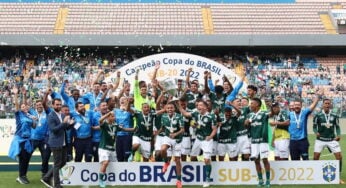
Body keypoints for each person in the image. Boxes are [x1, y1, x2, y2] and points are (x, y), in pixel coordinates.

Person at [179, 100, 217, 188]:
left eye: (200, 105)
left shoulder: (211, 116)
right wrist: (178, 106)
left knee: (207, 160)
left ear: (205, 107)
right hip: (198, 139)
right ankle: (197, 175)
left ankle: (207, 179)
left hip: (207, 140)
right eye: (197, 105)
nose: (198, 106)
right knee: (192, 157)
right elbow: (185, 114)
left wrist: (210, 137)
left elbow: (214, 129)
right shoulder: (196, 113)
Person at [41, 98, 74, 188]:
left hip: (63, 143)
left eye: (60, 104)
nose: (59, 106)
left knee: (62, 163)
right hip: (55, 143)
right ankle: (57, 184)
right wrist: (64, 123)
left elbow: (65, 128)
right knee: (57, 164)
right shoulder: (51, 115)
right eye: (57, 104)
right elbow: (54, 130)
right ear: (53, 105)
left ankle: (47, 177)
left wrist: (70, 124)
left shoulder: (62, 114)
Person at [8, 87, 37, 184]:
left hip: (28, 140)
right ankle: (21, 176)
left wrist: (25, 94)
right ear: (21, 109)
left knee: (27, 158)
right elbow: (17, 105)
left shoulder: (29, 116)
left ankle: (23, 175)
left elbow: (33, 126)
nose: (25, 107)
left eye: (26, 106)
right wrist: (16, 94)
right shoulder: (18, 114)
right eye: (23, 107)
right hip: (20, 139)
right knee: (22, 158)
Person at [313, 98, 344, 184]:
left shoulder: (334, 115)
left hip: (332, 139)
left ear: (330, 105)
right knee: (315, 158)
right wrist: (316, 132)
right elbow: (314, 127)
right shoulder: (318, 115)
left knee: (339, 157)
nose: (327, 105)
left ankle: (338, 177)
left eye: (328, 103)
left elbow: (337, 127)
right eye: (325, 103)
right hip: (320, 140)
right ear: (322, 105)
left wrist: (338, 135)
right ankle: (316, 176)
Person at [244, 98, 270, 187]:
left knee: (265, 159)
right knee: (256, 160)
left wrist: (271, 106)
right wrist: (246, 123)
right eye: (250, 103)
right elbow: (246, 125)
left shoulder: (264, 113)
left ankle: (268, 181)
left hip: (263, 140)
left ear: (257, 105)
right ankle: (260, 181)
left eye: (252, 103)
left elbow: (271, 114)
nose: (250, 105)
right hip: (254, 141)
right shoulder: (249, 115)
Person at [289, 90, 321, 160]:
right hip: (292, 141)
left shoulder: (304, 113)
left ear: (301, 105)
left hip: (303, 141)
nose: (296, 106)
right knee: (294, 160)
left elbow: (312, 106)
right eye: (295, 105)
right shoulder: (289, 114)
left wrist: (317, 98)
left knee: (305, 160)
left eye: (298, 105)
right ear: (293, 106)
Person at [160, 102, 184, 188]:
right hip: (168, 137)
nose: (170, 109)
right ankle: (166, 162)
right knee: (162, 150)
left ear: (174, 109)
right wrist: (156, 134)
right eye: (168, 108)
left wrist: (175, 134)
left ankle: (179, 181)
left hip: (177, 139)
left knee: (177, 160)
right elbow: (162, 128)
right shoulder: (163, 116)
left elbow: (182, 129)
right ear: (166, 109)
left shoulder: (179, 116)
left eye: (171, 108)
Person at [29, 93, 52, 178]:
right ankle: (23, 174)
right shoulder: (32, 112)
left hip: (44, 140)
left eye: (40, 104)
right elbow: (24, 108)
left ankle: (44, 173)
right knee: (27, 156)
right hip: (33, 139)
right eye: (37, 105)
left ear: (43, 105)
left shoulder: (47, 113)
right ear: (35, 106)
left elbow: (45, 104)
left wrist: (45, 95)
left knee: (45, 157)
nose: (39, 106)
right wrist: (23, 95)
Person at [98, 111, 121, 188]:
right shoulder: (104, 124)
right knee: (105, 162)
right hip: (104, 148)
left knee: (115, 164)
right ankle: (101, 180)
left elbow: (124, 129)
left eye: (114, 116)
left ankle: (113, 180)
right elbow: (100, 121)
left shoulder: (115, 125)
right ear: (108, 117)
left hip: (112, 149)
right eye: (112, 116)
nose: (114, 117)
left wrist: (133, 129)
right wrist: (107, 113)